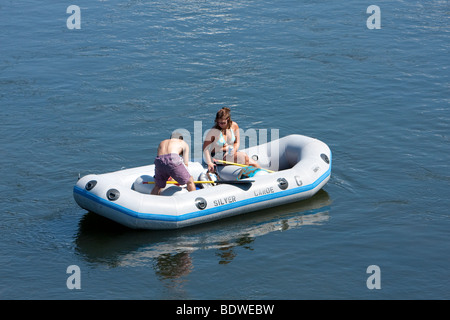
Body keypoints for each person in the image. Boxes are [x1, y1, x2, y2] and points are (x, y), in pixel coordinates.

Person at [203, 107, 261, 173]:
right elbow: (205, 148)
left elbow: (237, 142)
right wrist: (209, 162)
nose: (220, 125)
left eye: (222, 123)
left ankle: (263, 178)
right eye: (218, 122)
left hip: (230, 152)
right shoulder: (214, 131)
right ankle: (245, 176)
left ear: (228, 119)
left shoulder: (234, 126)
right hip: (217, 155)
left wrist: (234, 150)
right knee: (244, 157)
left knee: (255, 164)